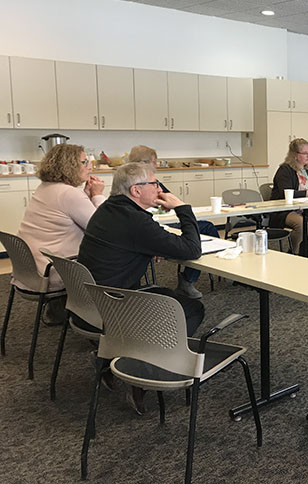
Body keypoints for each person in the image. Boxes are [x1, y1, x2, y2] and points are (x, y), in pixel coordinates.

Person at [78, 162, 204, 415]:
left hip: (92, 300)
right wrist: (182, 207)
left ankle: (109, 358)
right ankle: (143, 373)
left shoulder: (109, 209)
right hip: (117, 302)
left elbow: (131, 241)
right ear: (136, 190)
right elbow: (192, 249)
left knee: (168, 297)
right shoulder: (136, 221)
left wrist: (148, 248)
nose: (159, 189)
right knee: (191, 309)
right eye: (154, 184)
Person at [17, 144, 105, 324]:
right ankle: (105, 316)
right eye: (84, 162)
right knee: (116, 258)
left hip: (30, 269)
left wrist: (85, 196)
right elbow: (102, 228)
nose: (90, 166)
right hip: (55, 270)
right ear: (69, 165)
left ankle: (60, 308)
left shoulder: (46, 187)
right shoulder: (69, 194)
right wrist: (97, 196)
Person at [127, 145, 219, 299]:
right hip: (153, 227)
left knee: (203, 228)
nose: (157, 165)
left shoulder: (129, 182)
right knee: (205, 228)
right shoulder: (143, 183)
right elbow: (173, 202)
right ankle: (188, 279)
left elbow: (169, 200)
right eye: (154, 161)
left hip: (152, 228)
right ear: (144, 163)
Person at [269, 138, 308, 261]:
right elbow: (285, 193)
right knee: (300, 223)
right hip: (286, 211)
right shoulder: (285, 170)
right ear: (295, 155)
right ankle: (294, 253)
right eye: (305, 153)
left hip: (306, 210)